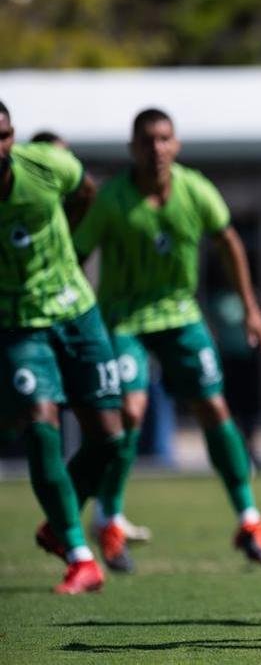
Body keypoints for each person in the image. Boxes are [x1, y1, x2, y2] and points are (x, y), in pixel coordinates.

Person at [69, 107, 261, 571]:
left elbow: (229, 242)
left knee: (214, 408)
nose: (156, 148)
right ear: (132, 148)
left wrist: (251, 309)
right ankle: (110, 520)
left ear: (176, 145)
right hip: (124, 320)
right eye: (146, 140)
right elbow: (76, 256)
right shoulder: (113, 199)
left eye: (164, 138)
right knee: (129, 412)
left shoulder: (195, 189)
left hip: (182, 317)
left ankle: (249, 518)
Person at [0, 100, 125, 594]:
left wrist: (65, 247)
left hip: (75, 309)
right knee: (39, 423)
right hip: (16, 323)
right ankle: (78, 554)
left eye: (4, 134)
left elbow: (85, 190)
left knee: (110, 438)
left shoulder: (45, 165)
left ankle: (57, 523)